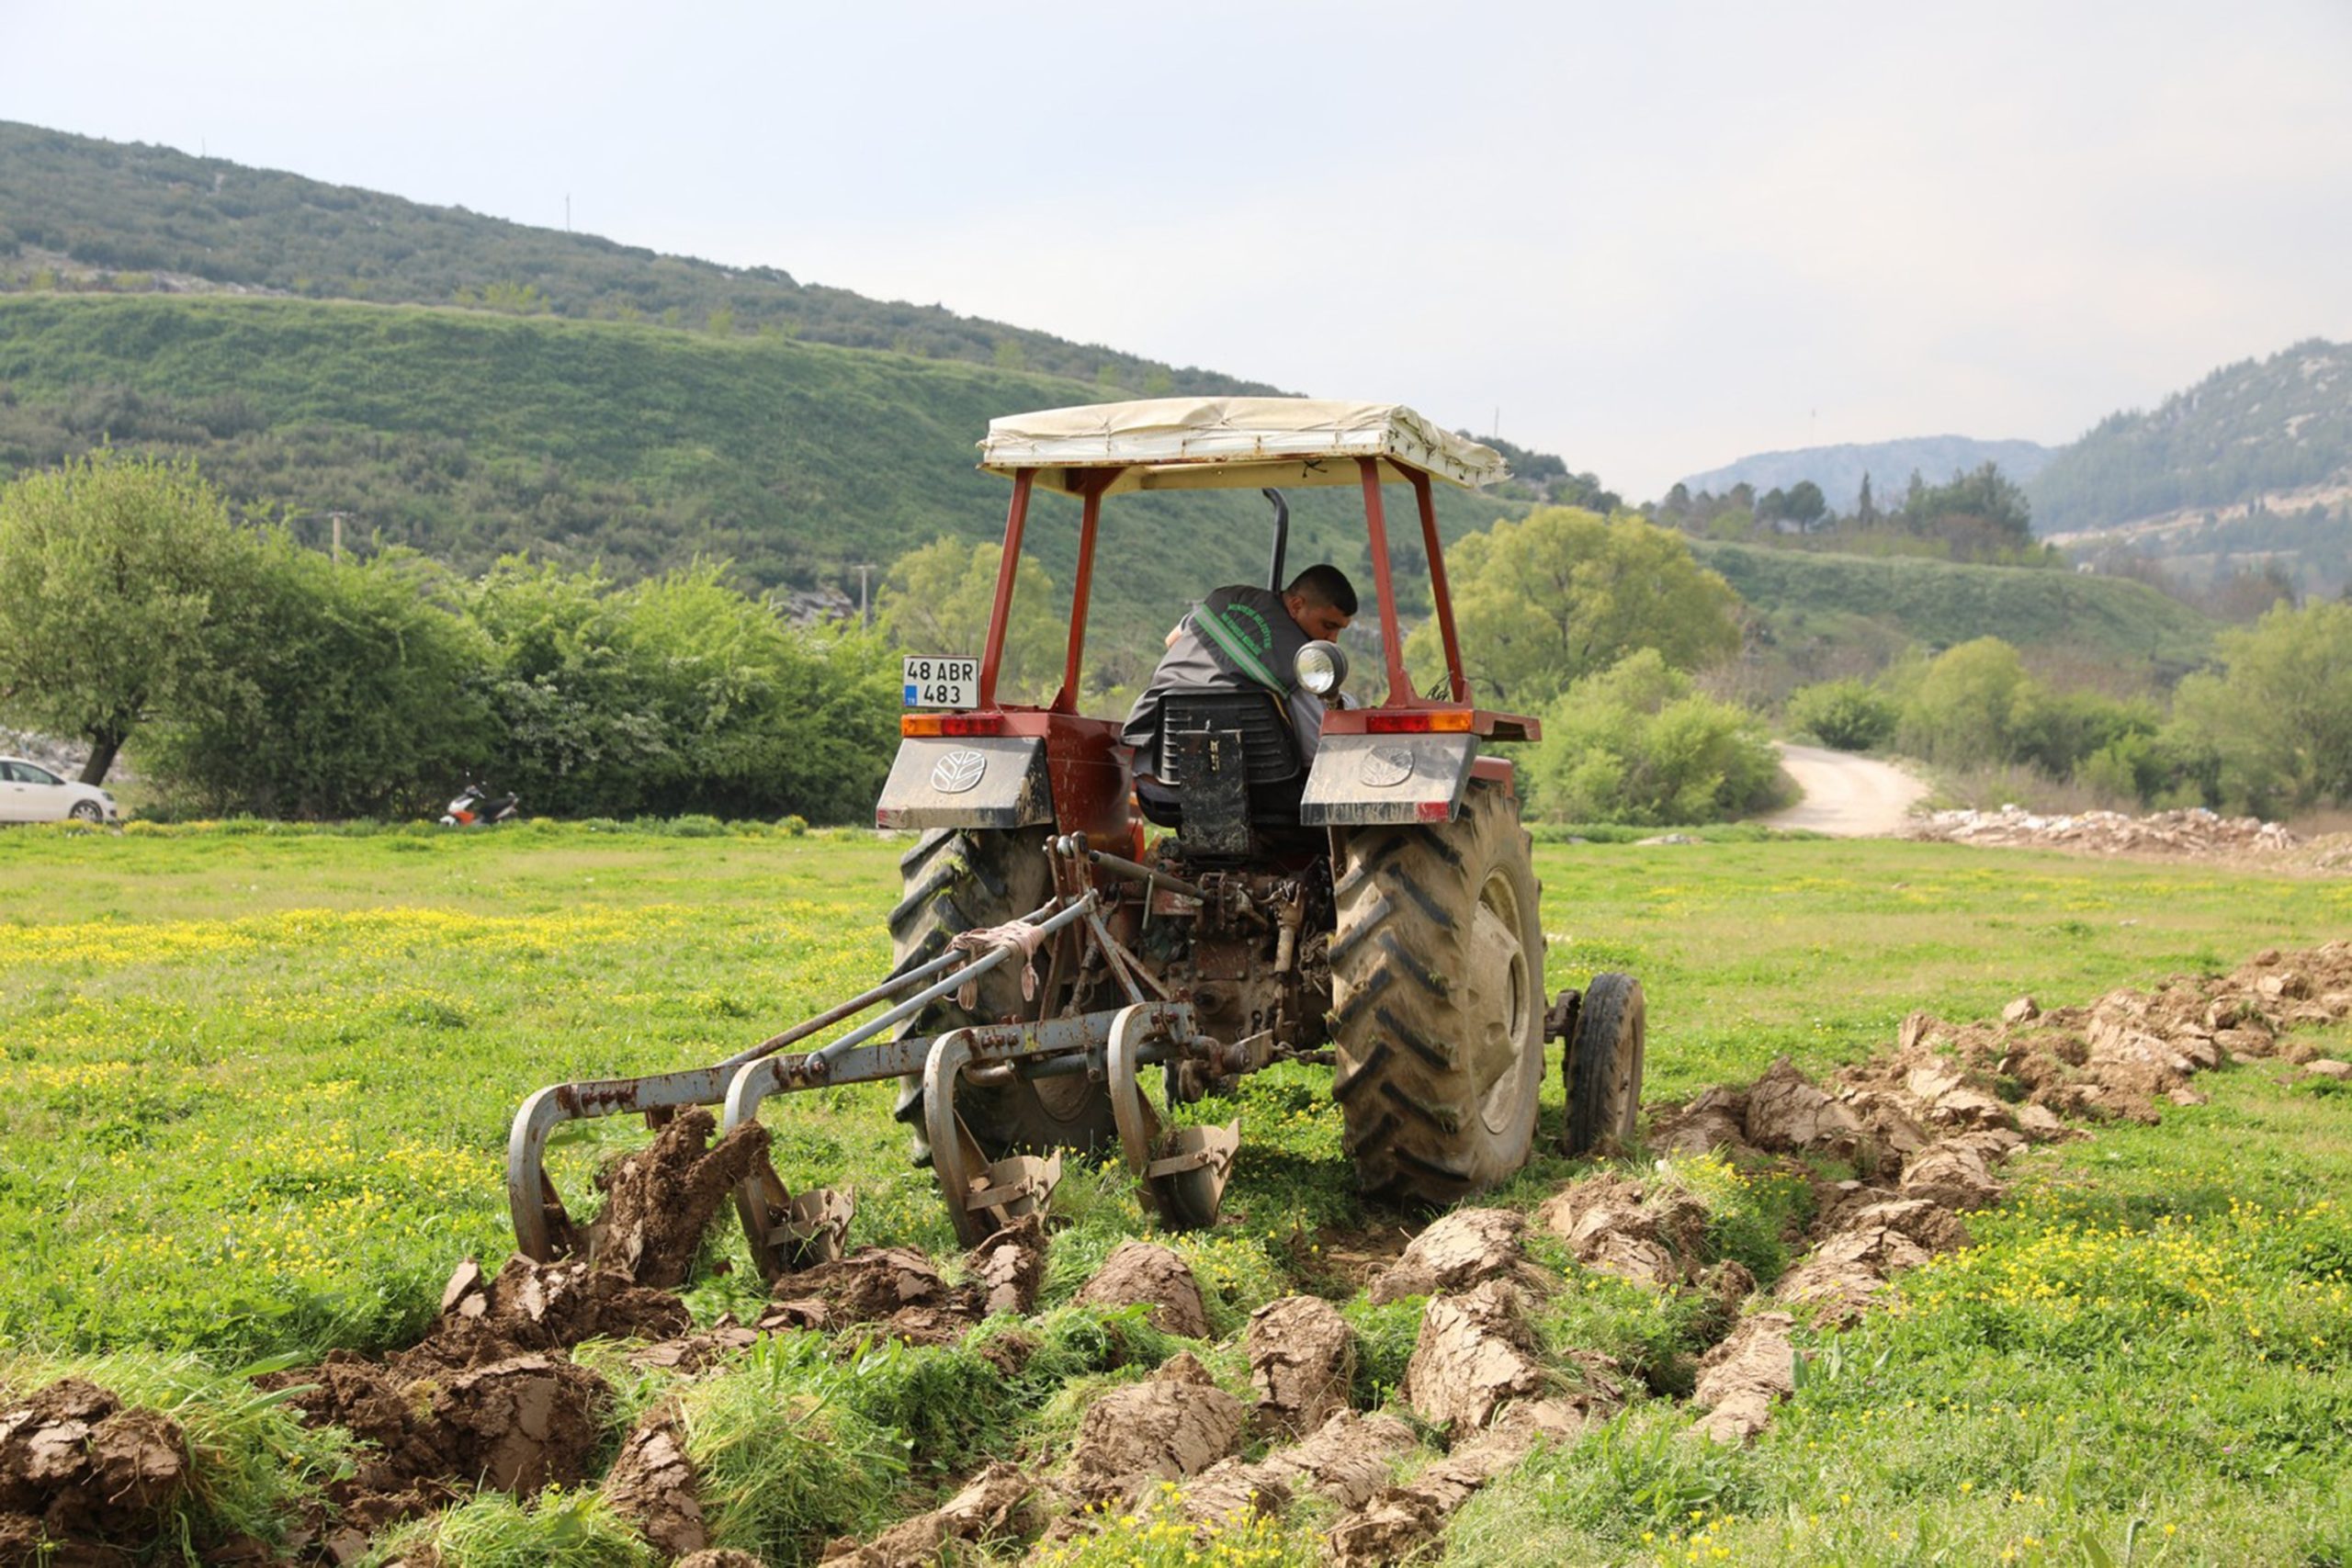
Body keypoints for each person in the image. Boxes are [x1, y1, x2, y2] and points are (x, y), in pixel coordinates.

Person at [1122, 565, 1357, 807]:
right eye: (1329, 626)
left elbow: (1172, 640)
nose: (1333, 639)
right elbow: (1316, 756)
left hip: (1156, 785)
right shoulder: (1301, 665)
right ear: (1297, 605)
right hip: (1246, 801)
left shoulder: (1223, 600)